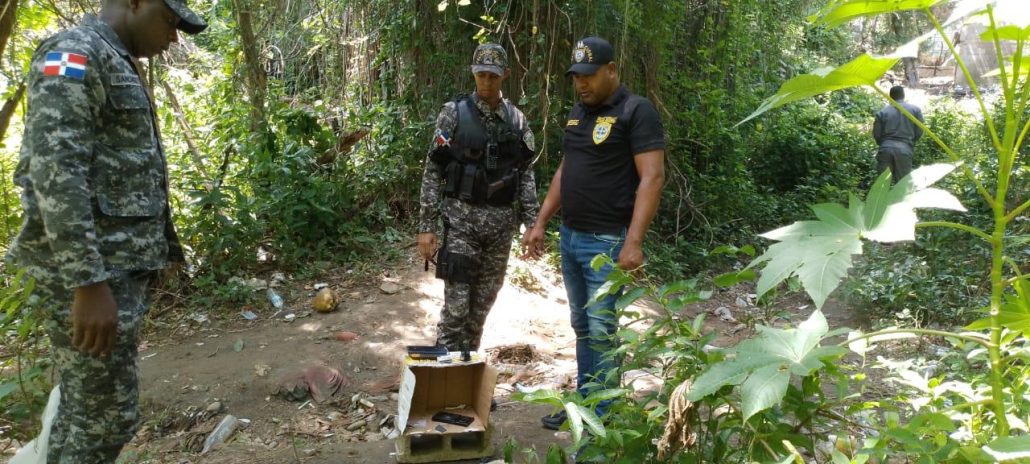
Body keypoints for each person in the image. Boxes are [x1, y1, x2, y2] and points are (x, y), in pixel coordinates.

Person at [5, 0, 206, 462]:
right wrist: (88, 284)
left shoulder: (113, 57)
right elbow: (56, 171)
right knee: (101, 422)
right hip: (91, 277)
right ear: (134, 2)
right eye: (170, 22)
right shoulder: (73, 52)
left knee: (86, 415)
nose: (173, 38)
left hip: (111, 274)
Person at [523, 36, 665, 430]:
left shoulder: (637, 111)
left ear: (611, 70)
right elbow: (565, 171)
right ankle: (586, 405)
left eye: (589, 75)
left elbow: (652, 177)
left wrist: (633, 242)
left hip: (606, 243)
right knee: (583, 326)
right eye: (576, 77)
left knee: (603, 331)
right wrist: (541, 223)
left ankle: (603, 418)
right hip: (570, 238)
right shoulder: (578, 113)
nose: (582, 83)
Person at [417, 43, 539, 353]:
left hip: (499, 230)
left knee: (479, 311)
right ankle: (440, 381)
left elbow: (525, 175)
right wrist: (426, 227)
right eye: (481, 75)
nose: (486, 82)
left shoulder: (517, 120)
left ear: (505, 75)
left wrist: (532, 224)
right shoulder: (453, 114)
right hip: (462, 224)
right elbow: (434, 169)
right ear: (474, 74)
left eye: (493, 77)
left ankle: (465, 381)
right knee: (456, 309)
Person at [873, 85, 923, 184]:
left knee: (882, 185)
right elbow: (919, 130)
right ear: (903, 96)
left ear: (890, 97)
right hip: (905, 148)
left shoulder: (882, 112)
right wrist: (910, 142)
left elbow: (877, 134)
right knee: (902, 185)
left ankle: (884, 200)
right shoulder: (915, 110)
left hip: (886, 149)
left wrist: (883, 144)